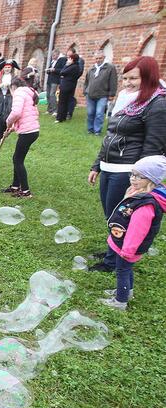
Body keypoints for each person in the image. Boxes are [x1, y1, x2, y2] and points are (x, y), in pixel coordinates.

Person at [87, 56, 166, 272]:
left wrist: (140, 181)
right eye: (125, 78)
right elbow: (111, 134)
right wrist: (97, 165)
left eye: (134, 78)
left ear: (148, 77)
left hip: (127, 171)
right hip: (109, 166)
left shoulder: (158, 104)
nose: (128, 83)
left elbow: (154, 146)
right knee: (112, 214)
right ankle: (112, 249)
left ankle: (112, 261)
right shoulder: (130, 100)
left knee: (123, 216)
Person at [99, 156, 166, 310]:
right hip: (123, 242)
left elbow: (137, 230)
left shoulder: (146, 204)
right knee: (126, 269)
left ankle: (120, 302)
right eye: (132, 174)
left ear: (151, 179)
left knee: (122, 270)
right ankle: (127, 292)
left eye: (139, 176)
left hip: (128, 247)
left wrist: (127, 250)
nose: (133, 179)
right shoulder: (138, 193)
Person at [2, 77, 40, 198]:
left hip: (28, 132)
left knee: (18, 160)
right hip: (32, 131)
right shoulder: (28, 93)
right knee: (17, 158)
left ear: (13, 87)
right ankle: (15, 186)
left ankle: (25, 191)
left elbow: (16, 113)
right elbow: (25, 116)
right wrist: (12, 128)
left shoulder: (18, 92)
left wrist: (8, 122)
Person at [83, 50, 117, 135]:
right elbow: (86, 81)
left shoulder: (110, 68)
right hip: (90, 94)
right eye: (96, 58)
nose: (98, 60)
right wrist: (85, 91)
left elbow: (113, 81)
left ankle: (97, 130)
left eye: (100, 58)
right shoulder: (91, 68)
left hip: (102, 95)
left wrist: (112, 94)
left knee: (99, 113)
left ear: (104, 57)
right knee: (90, 113)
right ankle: (90, 129)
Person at [0, 59, 19, 142]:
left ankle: (3, 136)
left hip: (9, 99)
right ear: (3, 68)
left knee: (6, 118)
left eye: (9, 67)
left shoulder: (15, 78)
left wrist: (10, 86)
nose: (7, 69)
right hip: (0, 99)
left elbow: (18, 89)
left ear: (11, 68)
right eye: (6, 67)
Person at [55, 53, 82, 123]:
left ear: (72, 59)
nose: (67, 60)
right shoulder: (77, 67)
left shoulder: (72, 66)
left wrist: (66, 65)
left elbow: (62, 72)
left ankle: (59, 118)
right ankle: (63, 117)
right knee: (67, 102)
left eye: (69, 58)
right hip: (71, 86)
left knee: (62, 102)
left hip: (66, 86)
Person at [44, 50, 65, 116]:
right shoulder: (52, 61)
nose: (53, 57)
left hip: (55, 80)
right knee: (48, 95)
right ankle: (49, 109)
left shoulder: (61, 60)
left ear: (58, 54)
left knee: (52, 94)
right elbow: (50, 70)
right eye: (52, 55)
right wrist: (48, 70)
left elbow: (62, 70)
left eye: (54, 55)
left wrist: (54, 70)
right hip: (49, 80)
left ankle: (55, 110)